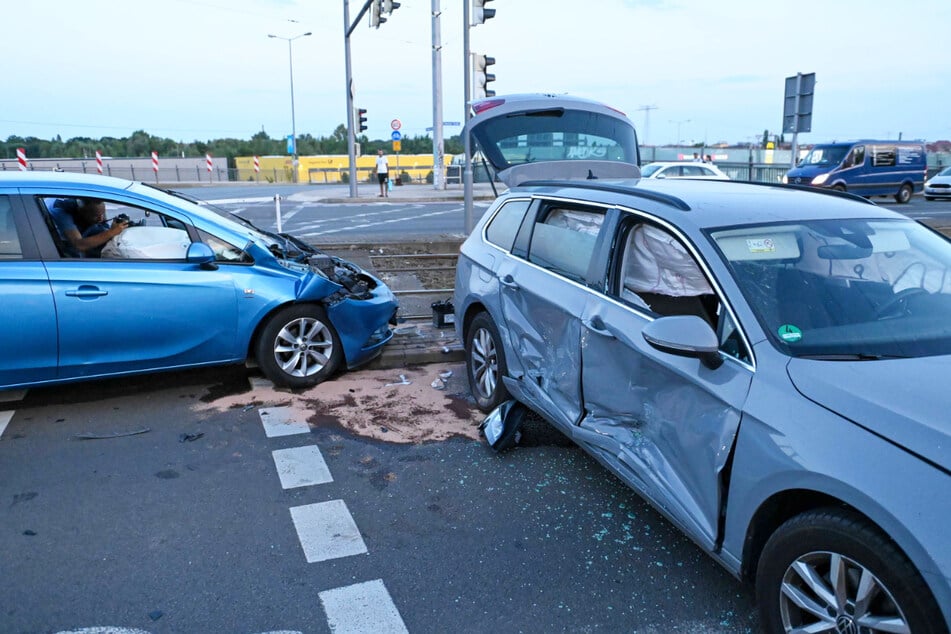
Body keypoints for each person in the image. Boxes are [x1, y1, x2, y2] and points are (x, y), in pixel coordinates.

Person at [49, 197, 127, 257]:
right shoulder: (61, 211)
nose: (101, 219)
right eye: (96, 216)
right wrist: (111, 232)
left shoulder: (93, 206)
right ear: (82, 212)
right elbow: (79, 244)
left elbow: (102, 225)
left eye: (102, 214)